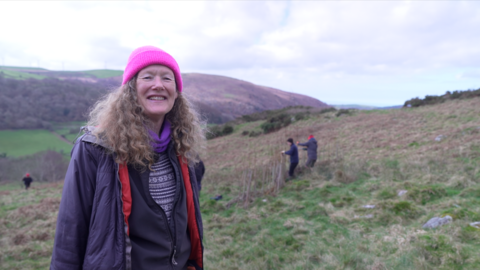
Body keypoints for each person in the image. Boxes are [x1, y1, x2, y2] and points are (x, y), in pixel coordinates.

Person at [51, 46, 205, 270]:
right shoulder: (96, 149)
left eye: (167, 78)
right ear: (131, 88)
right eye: (148, 76)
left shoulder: (184, 148)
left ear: (176, 91)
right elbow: (70, 233)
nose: (158, 84)